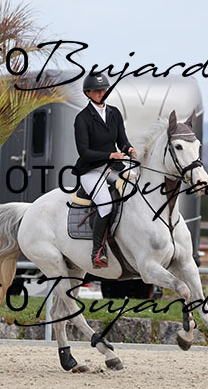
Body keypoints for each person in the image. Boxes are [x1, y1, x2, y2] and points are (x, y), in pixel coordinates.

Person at [72, 73, 137, 269]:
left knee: (137, 191)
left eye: (104, 90)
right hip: (91, 171)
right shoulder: (82, 118)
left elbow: (122, 140)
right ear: (88, 93)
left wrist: (128, 149)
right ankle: (97, 252)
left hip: (113, 168)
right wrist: (110, 155)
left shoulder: (114, 113)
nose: (101, 93)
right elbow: (84, 152)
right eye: (97, 91)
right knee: (106, 204)